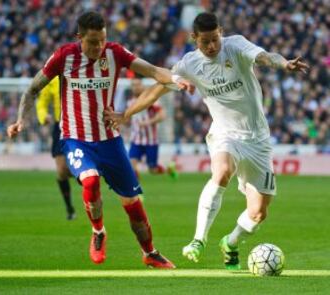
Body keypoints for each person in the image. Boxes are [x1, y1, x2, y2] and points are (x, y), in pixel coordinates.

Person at [104, 12, 309, 269]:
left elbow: (265, 57)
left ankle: (231, 243)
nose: (212, 46)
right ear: (194, 39)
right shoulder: (189, 65)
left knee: (258, 213)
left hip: (258, 138)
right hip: (225, 133)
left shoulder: (235, 46)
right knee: (222, 171)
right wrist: (126, 114)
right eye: (205, 42)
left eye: (215, 39)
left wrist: (284, 64)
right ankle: (198, 240)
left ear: (220, 32)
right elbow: (156, 89)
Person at [7, 11, 194, 268]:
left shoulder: (115, 53)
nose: (98, 47)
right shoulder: (64, 56)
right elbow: (32, 89)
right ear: (79, 38)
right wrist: (20, 120)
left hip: (110, 140)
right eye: (93, 41)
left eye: (102, 40)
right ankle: (98, 232)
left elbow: (151, 70)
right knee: (90, 179)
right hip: (75, 138)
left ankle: (150, 253)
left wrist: (175, 79)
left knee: (132, 203)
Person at [36, 76, 76, 220]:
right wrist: (43, 116)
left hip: (79, 125)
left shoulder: (79, 73)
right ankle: (70, 208)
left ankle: (92, 194)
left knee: (77, 169)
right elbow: (41, 103)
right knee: (61, 171)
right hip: (60, 127)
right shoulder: (52, 80)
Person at [127, 78, 178, 180]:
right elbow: (129, 120)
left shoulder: (150, 101)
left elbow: (162, 116)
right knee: (131, 165)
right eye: (133, 85)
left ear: (142, 86)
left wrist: (147, 122)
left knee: (152, 169)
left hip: (151, 141)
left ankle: (168, 169)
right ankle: (136, 192)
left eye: (137, 85)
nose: (135, 87)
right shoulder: (130, 102)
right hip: (136, 140)